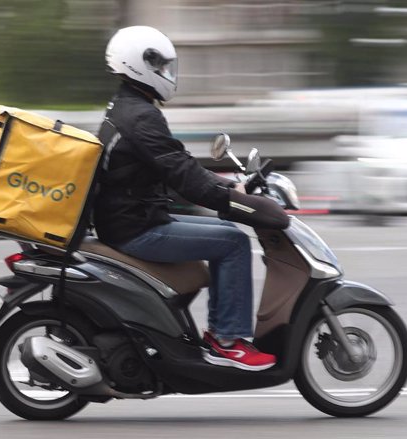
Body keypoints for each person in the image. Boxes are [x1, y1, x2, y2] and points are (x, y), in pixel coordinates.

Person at [93, 26, 287, 372]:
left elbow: (175, 165)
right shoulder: (141, 116)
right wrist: (235, 202)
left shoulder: (127, 106)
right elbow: (182, 175)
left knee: (221, 233)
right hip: (136, 227)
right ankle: (227, 341)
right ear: (142, 64)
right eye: (162, 66)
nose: (168, 74)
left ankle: (203, 334)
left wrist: (225, 186)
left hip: (132, 217)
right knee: (233, 242)